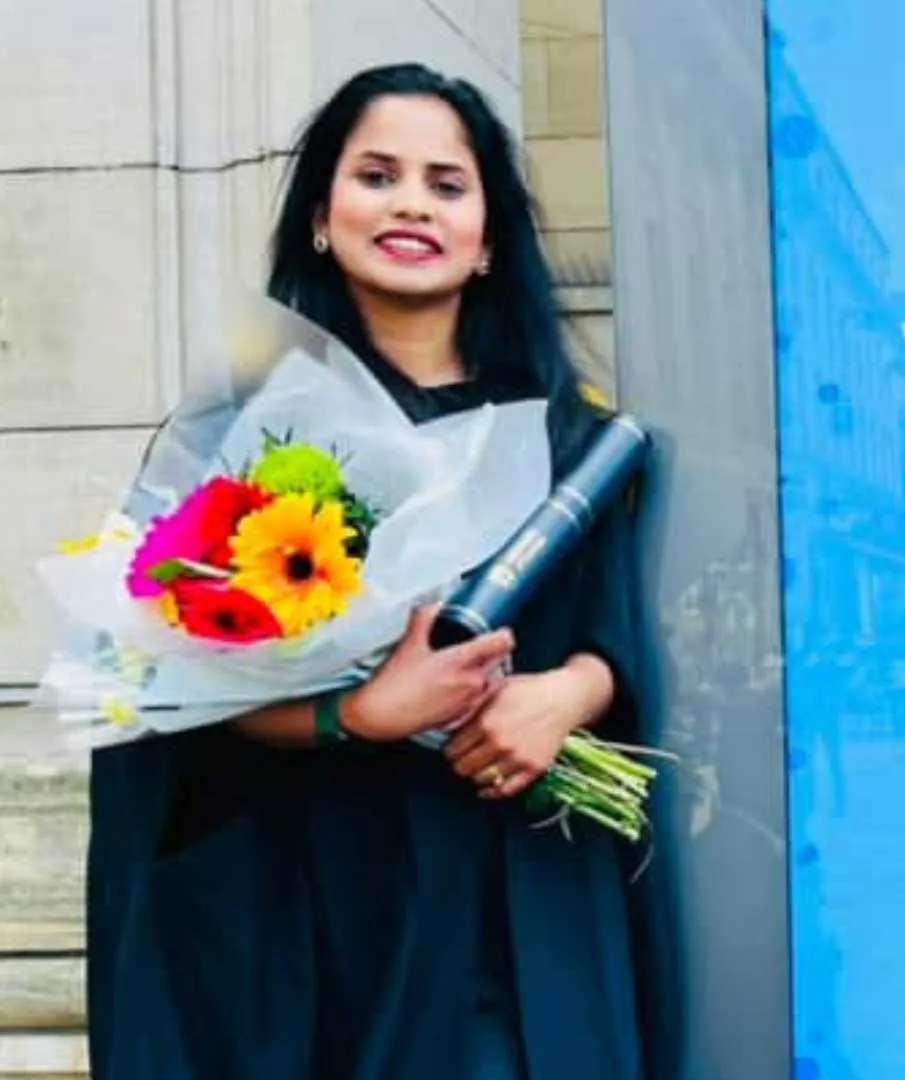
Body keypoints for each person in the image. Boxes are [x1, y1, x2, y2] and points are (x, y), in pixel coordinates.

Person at [84, 63, 673, 1080]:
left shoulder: (568, 435)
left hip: (500, 883)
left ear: (489, 237)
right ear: (322, 215)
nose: (411, 203)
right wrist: (352, 715)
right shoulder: (238, 438)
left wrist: (570, 693)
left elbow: (621, 629)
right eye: (377, 175)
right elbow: (143, 695)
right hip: (299, 907)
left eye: (448, 184)